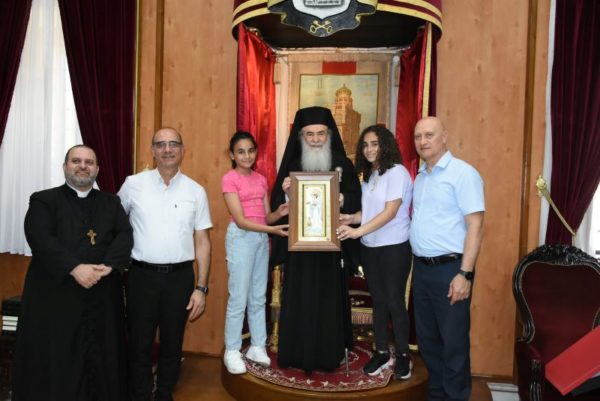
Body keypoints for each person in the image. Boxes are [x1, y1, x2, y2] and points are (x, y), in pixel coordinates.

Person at [12, 145, 133, 401]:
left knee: (102, 351)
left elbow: (124, 235)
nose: (82, 166)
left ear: (97, 169)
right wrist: (74, 268)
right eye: (76, 161)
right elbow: (39, 237)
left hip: (101, 290)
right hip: (56, 293)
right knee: (59, 353)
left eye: (89, 162)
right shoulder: (44, 200)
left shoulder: (111, 202)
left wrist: (109, 265)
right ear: (65, 166)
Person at [118, 127, 212, 401]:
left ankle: (164, 394)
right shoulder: (133, 184)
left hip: (179, 279)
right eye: (160, 144)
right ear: (152, 150)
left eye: (173, 144)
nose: (167, 149)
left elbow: (203, 242)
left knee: (173, 344)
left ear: (182, 150)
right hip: (141, 277)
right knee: (139, 343)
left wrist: (201, 288)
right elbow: (115, 224)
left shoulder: (196, 191)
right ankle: (140, 394)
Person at [270, 106, 361, 373]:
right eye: (309, 134)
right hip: (300, 250)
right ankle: (296, 352)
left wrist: (342, 198)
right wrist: (286, 193)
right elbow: (278, 207)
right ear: (301, 137)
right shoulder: (293, 166)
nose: (316, 139)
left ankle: (329, 353)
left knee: (328, 301)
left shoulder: (343, 164)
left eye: (321, 133)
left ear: (329, 135)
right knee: (300, 299)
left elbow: (357, 199)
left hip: (331, 249)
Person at [409, 117, 485, 401]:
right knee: (428, 342)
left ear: (444, 137)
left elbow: (476, 225)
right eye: (418, 136)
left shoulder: (463, 173)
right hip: (422, 270)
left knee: (453, 343)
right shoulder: (421, 177)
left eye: (429, 135)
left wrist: (465, 274)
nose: (423, 141)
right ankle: (437, 396)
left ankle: (456, 396)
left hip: (451, 270)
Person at [337, 125, 413, 380]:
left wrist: (357, 232)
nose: (369, 149)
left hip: (394, 247)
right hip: (370, 247)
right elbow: (369, 213)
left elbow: (390, 212)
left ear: (385, 145)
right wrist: (351, 218)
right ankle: (381, 352)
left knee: (394, 302)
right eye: (365, 145)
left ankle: (403, 355)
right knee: (379, 301)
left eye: (374, 144)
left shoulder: (397, 172)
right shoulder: (369, 176)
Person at [221, 131, 289, 374]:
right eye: (240, 152)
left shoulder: (261, 179)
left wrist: (280, 213)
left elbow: (266, 216)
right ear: (232, 155)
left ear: (256, 152)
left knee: (258, 296)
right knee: (238, 298)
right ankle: (232, 350)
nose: (246, 156)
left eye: (250, 150)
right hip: (241, 239)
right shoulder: (229, 179)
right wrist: (273, 230)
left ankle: (258, 346)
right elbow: (241, 221)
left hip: (260, 239)